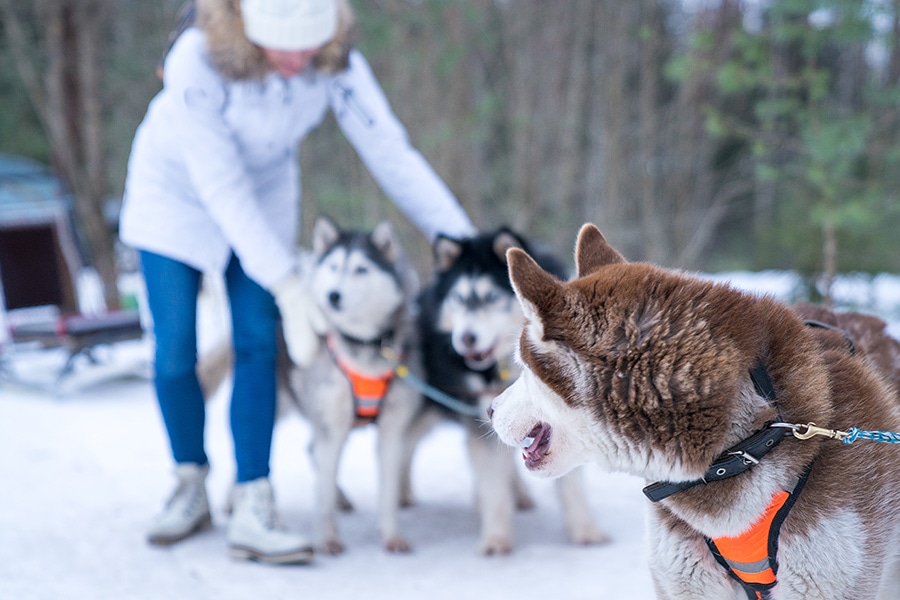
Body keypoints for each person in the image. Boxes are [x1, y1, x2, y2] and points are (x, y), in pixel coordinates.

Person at [119, 0, 474, 565]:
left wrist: (465, 246)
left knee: (259, 340)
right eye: (282, 46)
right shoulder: (196, 58)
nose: (295, 60)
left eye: (308, 46)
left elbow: (390, 152)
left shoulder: (335, 62)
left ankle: (254, 497)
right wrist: (288, 283)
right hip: (174, 201)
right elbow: (219, 182)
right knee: (175, 353)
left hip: (264, 197)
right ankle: (190, 482)